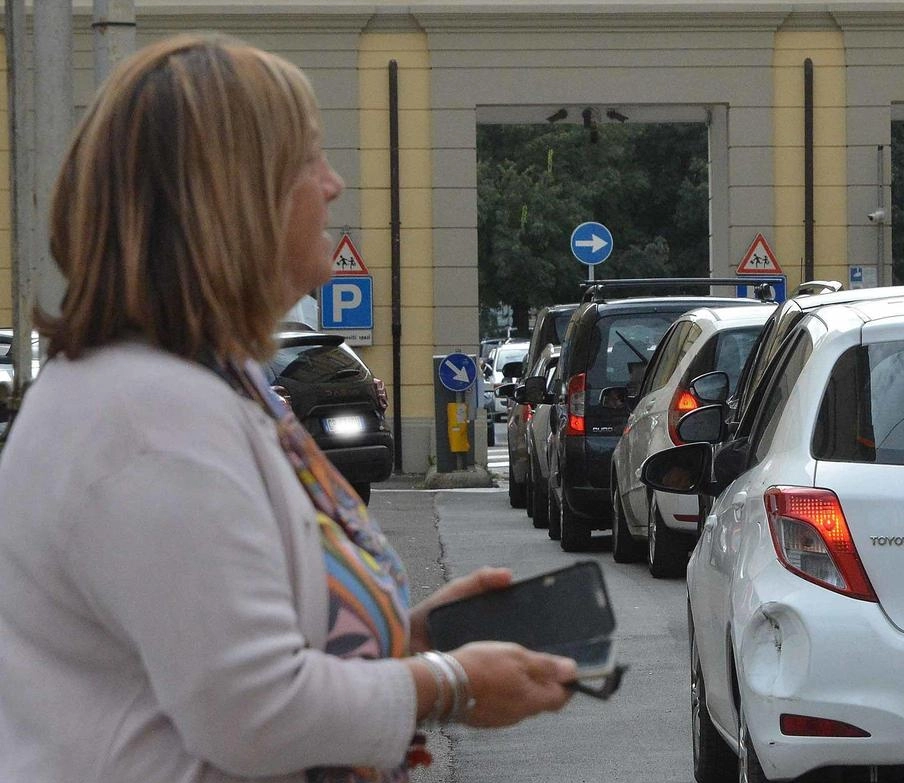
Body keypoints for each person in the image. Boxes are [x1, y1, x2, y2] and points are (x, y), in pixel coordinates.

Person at [0, 34, 576, 783]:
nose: (332, 184)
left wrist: (406, 633)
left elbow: (227, 642)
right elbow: (251, 708)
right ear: (237, 195)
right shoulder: (150, 418)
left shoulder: (193, 381)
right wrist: (449, 682)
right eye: (309, 159)